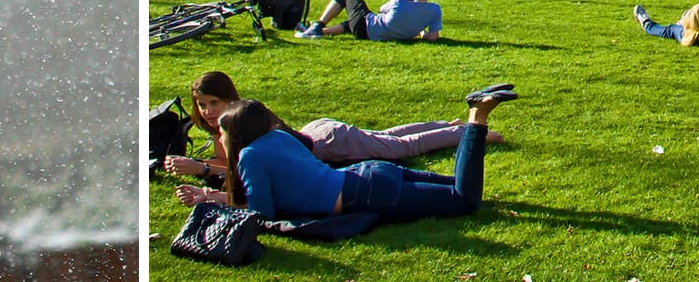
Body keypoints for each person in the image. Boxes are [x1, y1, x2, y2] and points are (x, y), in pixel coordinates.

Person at [163, 71, 506, 200]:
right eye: (202, 104)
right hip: (320, 134)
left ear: (230, 100)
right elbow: (233, 166)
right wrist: (199, 165)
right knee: (388, 137)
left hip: (328, 144)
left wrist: (202, 171)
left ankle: (471, 132)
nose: (208, 111)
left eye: (214, 103)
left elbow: (242, 173)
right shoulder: (239, 119)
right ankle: (447, 125)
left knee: (401, 147)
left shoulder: (241, 123)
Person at [194, 89, 517, 223]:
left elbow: (262, 212)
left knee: (466, 200)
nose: (219, 135)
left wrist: (213, 199)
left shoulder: (250, 155)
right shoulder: (277, 136)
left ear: (234, 133)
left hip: (366, 192)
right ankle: (470, 119)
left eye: (222, 131)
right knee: (456, 186)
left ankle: (477, 119)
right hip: (368, 173)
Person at [294, 0, 441, 41]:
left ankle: (318, 26)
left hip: (366, 27)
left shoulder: (400, 1)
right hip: (371, 32)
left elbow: (382, 9)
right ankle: (316, 32)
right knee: (352, 21)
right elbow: (433, 37)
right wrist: (421, 33)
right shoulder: (435, 10)